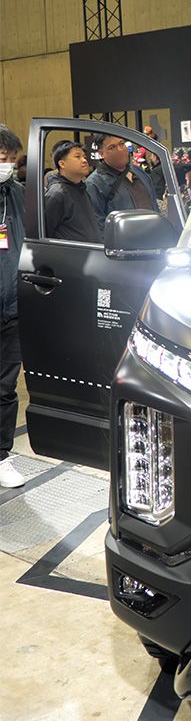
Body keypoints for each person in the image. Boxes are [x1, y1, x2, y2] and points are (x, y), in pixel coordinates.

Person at [0, 125, 26, 488]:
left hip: (13, 308)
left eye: (11, 159)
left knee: (5, 387)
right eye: (2, 157)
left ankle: (2, 455)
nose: (7, 164)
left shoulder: (18, 195)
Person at [85, 132, 157, 233]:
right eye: (112, 147)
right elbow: (98, 226)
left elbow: (154, 205)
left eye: (122, 144)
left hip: (154, 235)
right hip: (124, 240)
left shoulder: (140, 172)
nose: (120, 149)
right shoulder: (94, 184)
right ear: (101, 153)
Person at [44, 140, 100, 243]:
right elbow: (45, 233)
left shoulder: (82, 188)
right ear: (62, 163)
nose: (84, 160)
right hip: (70, 252)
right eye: (78, 157)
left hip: (90, 250)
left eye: (84, 157)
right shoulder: (57, 194)